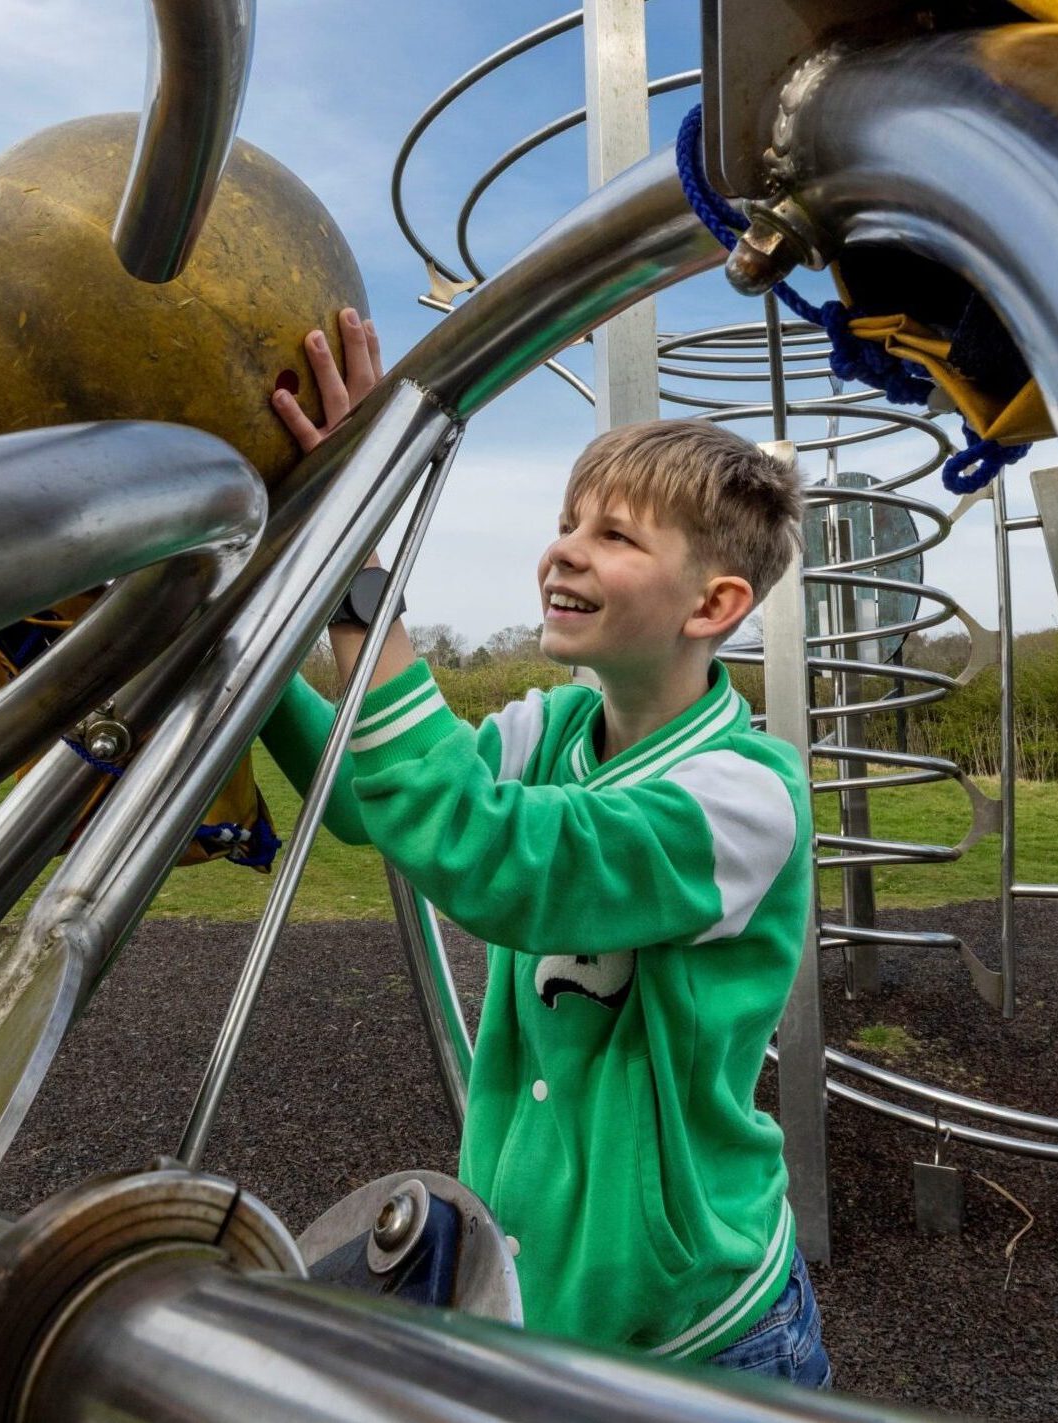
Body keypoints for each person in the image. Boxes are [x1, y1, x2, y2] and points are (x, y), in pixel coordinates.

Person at [262, 307, 828, 1386]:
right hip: (548, 1302)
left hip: (696, 1335)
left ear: (713, 603)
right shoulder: (550, 729)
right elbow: (366, 796)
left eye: (614, 535)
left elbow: (491, 858)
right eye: (567, 520)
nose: (563, 548)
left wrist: (358, 574)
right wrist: (240, 663)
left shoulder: (741, 801)